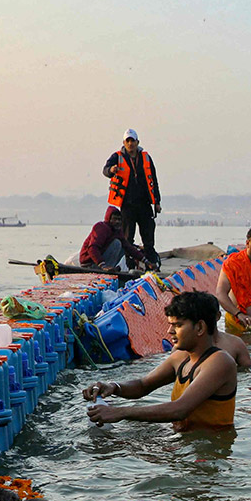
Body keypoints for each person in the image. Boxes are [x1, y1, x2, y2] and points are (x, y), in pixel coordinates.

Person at [83, 292, 237, 432]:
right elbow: (144, 385)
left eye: (178, 325)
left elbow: (180, 409)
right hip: (184, 441)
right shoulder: (180, 357)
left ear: (200, 327)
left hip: (210, 450)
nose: (170, 331)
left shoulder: (220, 362)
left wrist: (120, 412)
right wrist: (113, 387)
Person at [104, 129, 161, 266]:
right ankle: (128, 265)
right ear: (124, 143)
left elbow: (154, 179)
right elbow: (105, 170)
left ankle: (152, 264)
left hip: (144, 204)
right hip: (127, 205)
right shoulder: (116, 157)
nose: (130, 144)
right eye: (128, 141)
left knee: (148, 236)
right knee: (127, 237)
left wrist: (157, 202)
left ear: (137, 142)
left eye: (132, 141)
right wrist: (111, 170)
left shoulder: (146, 157)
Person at [79, 207, 149, 270]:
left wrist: (146, 261)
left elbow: (128, 248)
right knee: (117, 243)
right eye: (115, 219)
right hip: (90, 263)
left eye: (119, 219)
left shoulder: (117, 231)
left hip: (102, 262)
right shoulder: (101, 227)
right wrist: (102, 265)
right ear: (109, 219)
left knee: (123, 247)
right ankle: (106, 268)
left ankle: (110, 267)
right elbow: (92, 248)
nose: (117, 222)